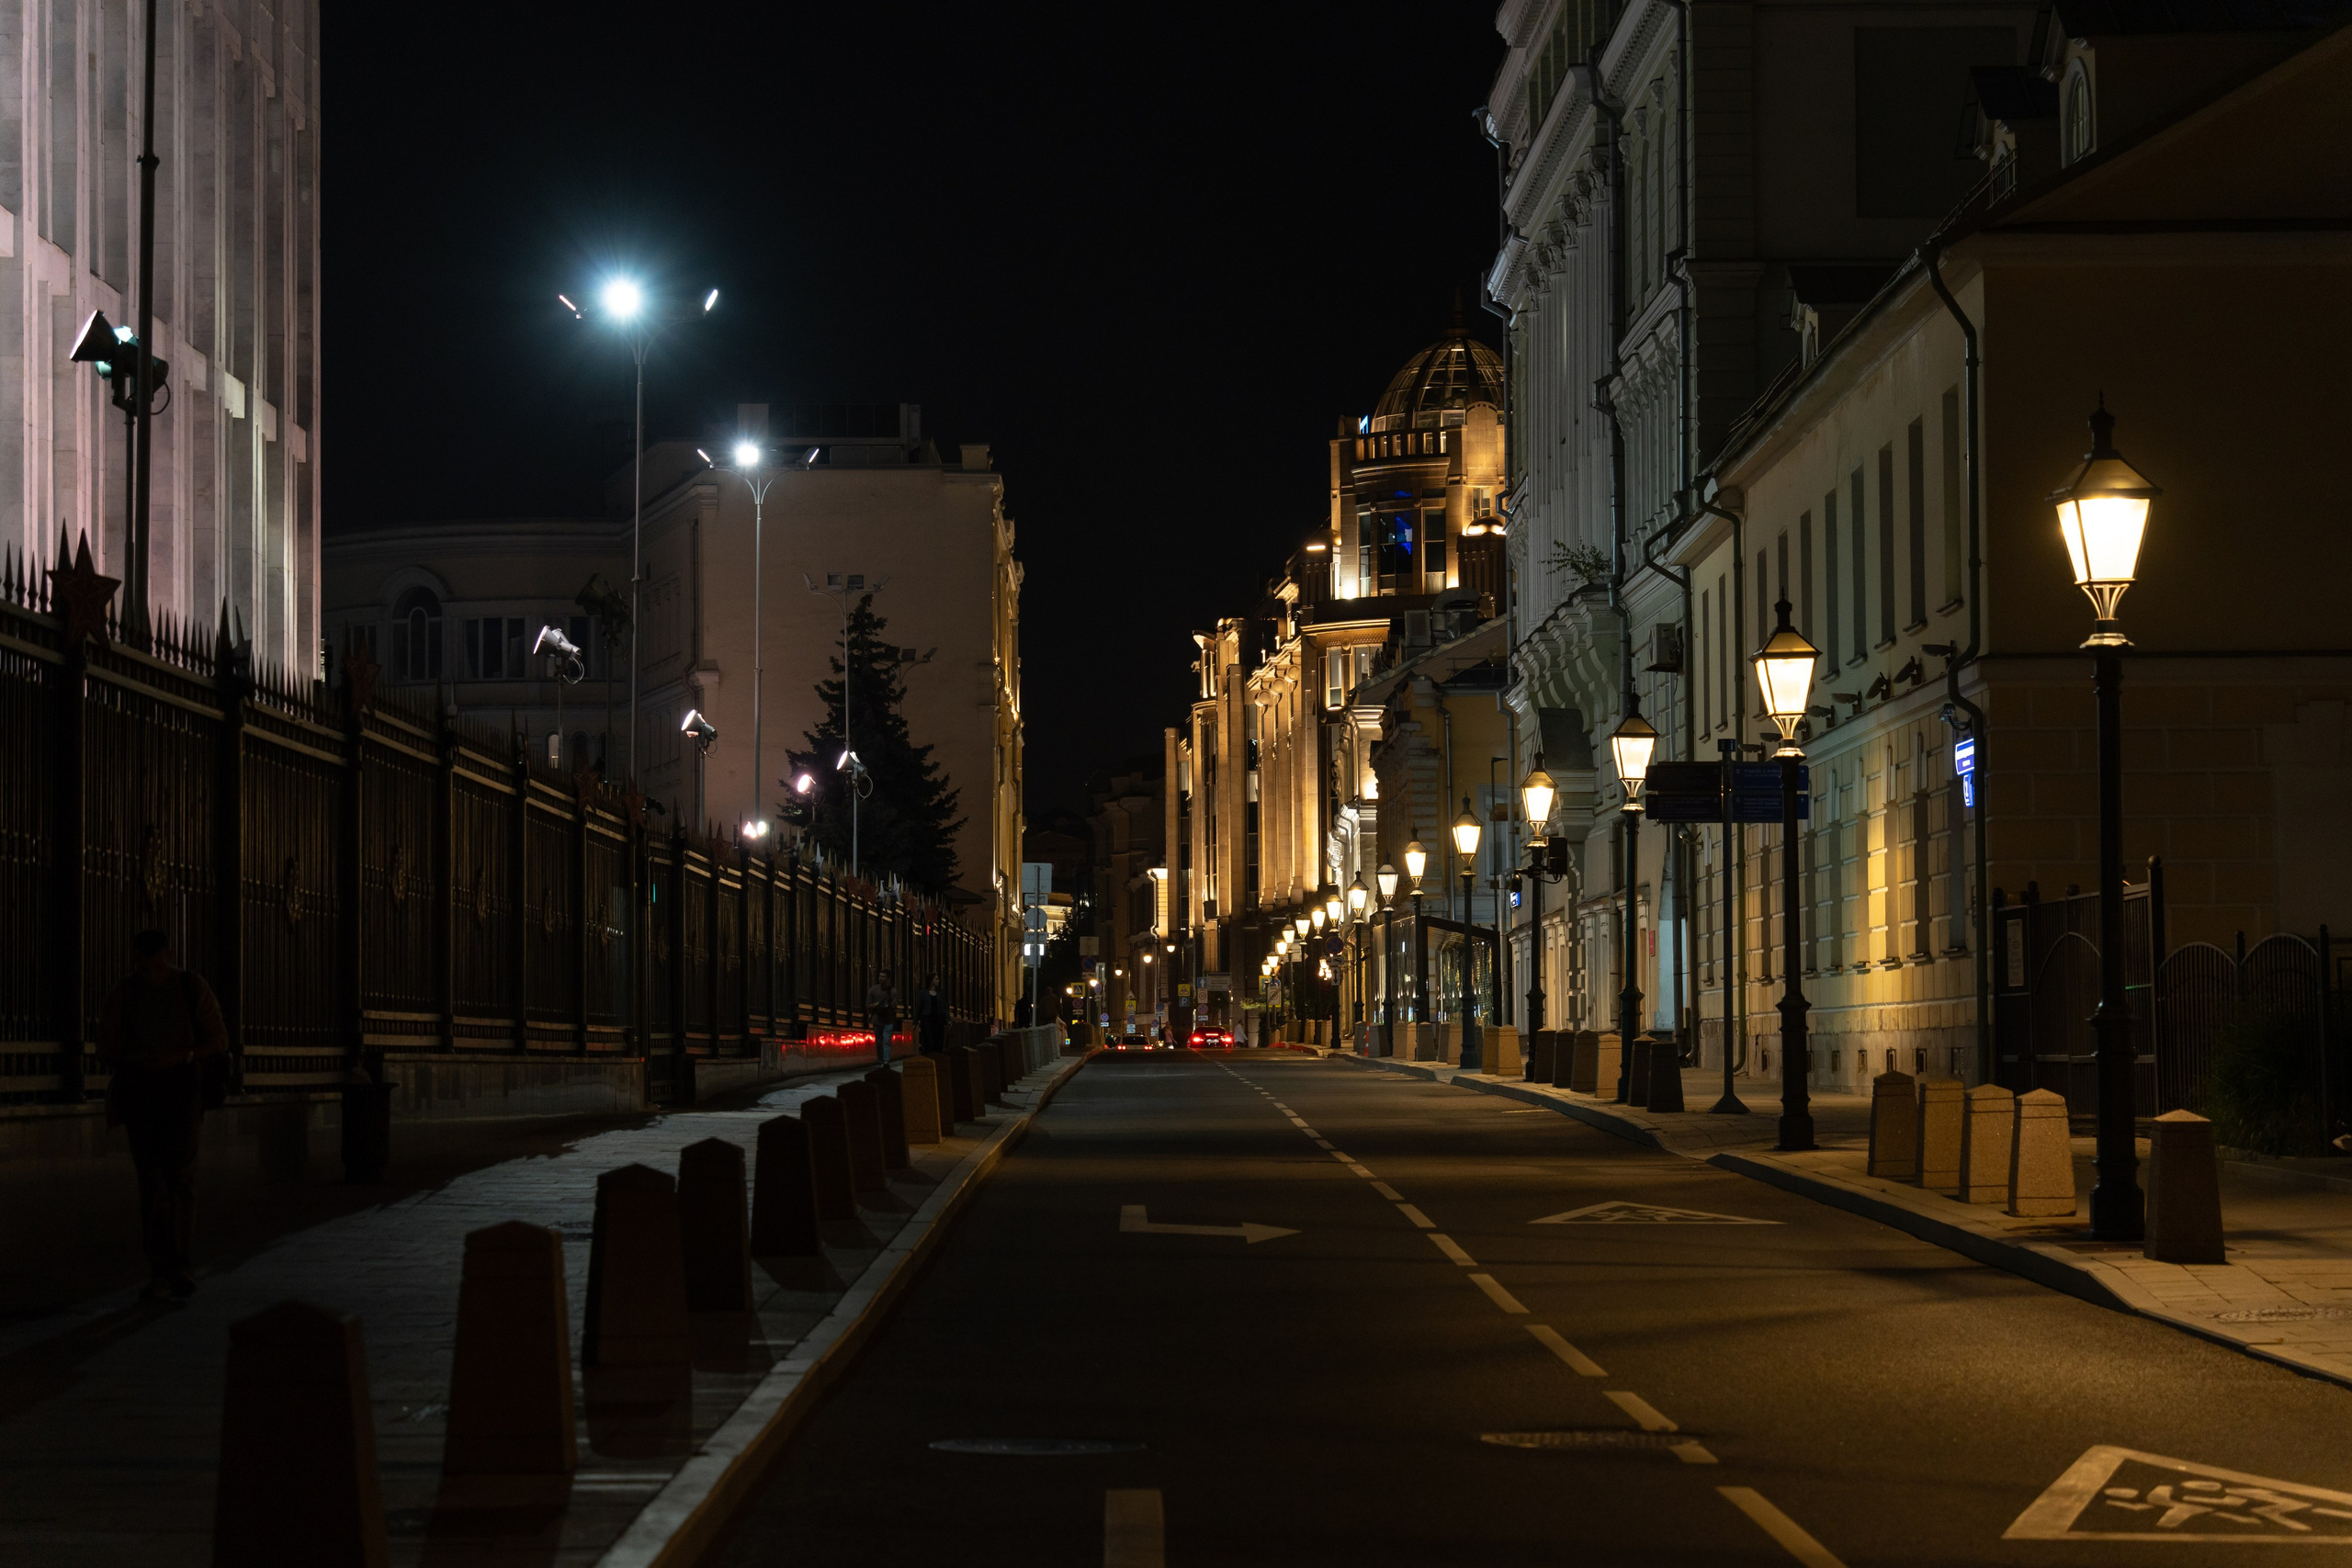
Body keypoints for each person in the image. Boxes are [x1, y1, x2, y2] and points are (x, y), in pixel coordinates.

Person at [97, 930, 230, 1303]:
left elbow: (218, 1039)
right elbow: (105, 1045)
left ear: (169, 958)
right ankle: (164, 1267)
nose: (152, 975)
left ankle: (178, 1264)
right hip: (142, 1091)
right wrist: (131, 1058)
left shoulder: (190, 988)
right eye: (144, 968)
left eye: (157, 967)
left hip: (182, 1089)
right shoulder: (123, 994)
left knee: (178, 1178)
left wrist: (182, 1056)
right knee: (155, 1182)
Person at [864, 968, 898, 1065]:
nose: (881, 978)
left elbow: (893, 1005)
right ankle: (881, 1059)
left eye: (883, 977)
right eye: (880, 976)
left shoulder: (893, 991)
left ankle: (886, 1061)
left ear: (888, 978)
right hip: (877, 1020)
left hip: (888, 1019)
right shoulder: (873, 990)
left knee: (886, 1041)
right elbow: (867, 1005)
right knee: (879, 1042)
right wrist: (876, 1005)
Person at [915, 973, 949, 1056]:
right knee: (928, 1039)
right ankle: (929, 1055)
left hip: (938, 1020)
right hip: (927, 1020)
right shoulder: (923, 992)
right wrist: (915, 1021)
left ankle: (937, 1056)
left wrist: (948, 1020)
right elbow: (919, 1007)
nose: (938, 980)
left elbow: (945, 1007)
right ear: (931, 980)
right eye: (936, 979)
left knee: (938, 1039)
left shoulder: (940, 993)